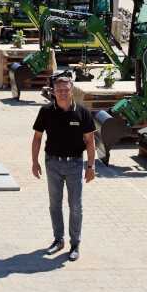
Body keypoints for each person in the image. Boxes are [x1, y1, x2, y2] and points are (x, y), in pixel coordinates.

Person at [31, 76, 96, 262]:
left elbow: (90, 141)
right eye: (59, 90)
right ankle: (58, 240)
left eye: (66, 89)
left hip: (75, 164)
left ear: (71, 89)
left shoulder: (82, 113)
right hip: (52, 164)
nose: (63, 93)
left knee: (75, 206)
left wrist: (91, 166)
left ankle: (75, 244)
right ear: (53, 91)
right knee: (54, 204)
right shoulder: (46, 111)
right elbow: (37, 138)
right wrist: (34, 162)